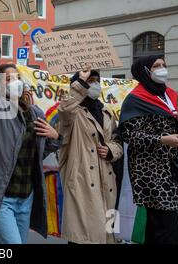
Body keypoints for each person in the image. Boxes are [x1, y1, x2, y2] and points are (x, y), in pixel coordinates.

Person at [0, 15, 61, 244]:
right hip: (1, 197)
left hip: (25, 197)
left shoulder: (35, 113)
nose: (14, 81)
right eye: (8, 79)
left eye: (17, 77)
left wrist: (55, 137)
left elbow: (41, 150)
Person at [119, 55, 178, 244]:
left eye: (164, 65)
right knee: (167, 229)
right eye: (156, 66)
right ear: (145, 71)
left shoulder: (169, 95)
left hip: (170, 168)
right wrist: (162, 139)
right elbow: (129, 135)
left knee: (157, 228)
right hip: (149, 172)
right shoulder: (135, 99)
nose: (162, 68)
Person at [57, 69, 123, 244]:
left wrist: (110, 150)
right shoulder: (72, 113)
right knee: (84, 238)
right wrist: (81, 82)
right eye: (89, 81)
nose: (94, 84)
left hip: (108, 185)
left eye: (96, 80)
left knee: (108, 236)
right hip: (82, 184)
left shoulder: (106, 112)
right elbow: (64, 110)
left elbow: (117, 142)